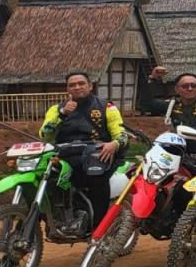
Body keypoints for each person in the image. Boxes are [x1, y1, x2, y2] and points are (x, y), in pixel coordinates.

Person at [140, 65, 196, 267]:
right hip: (177, 159)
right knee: (169, 192)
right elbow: (146, 103)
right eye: (184, 86)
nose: (189, 88)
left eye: (193, 85)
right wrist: (152, 80)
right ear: (176, 89)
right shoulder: (172, 105)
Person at [39, 72, 129, 236]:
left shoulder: (106, 107)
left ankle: (99, 229)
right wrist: (62, 114)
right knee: (41, 178)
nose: (77, 87)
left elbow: (122, 135)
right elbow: (45, 135)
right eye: (72, 85)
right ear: (67, 89)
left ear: (90, 86)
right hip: (66, 155)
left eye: (81, 83)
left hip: (98, 154)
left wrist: (114, 144)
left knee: (97, 177)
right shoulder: (55, 109)